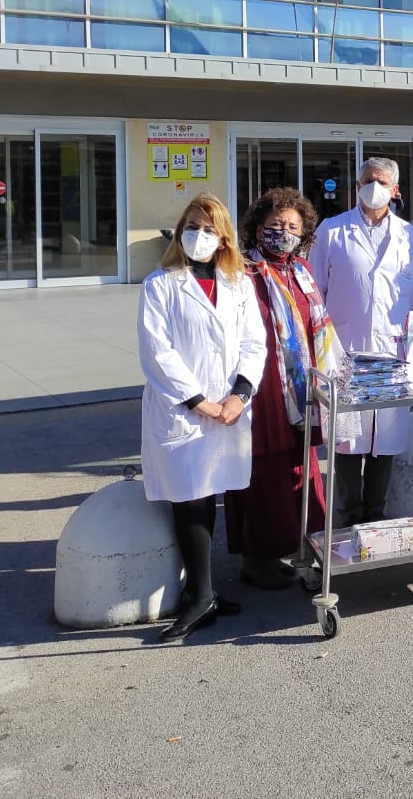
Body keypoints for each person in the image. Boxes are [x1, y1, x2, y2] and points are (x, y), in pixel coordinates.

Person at [138, 193, 265, 642]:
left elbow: (256, 343)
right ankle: (199, 599)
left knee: (209, 493)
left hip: (228, 409)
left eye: (210, 229)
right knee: (188, 499)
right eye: (192, 226)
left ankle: (205, 590)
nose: (199, 235)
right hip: (184, 412)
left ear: (224, 238)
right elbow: (157, 351)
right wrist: (198, 401)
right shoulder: (161, 283)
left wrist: (240, 394)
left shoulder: (238, 284)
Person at [224, 188, 342, 590]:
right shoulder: (242, 273)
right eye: (275, 225)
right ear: (257, 229)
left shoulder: (301, 271)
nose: (283, 232)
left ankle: (297, 544)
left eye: (292, 226)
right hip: (261, 385)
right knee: (263, 468)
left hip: (299, 385)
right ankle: (257, 556)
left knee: (299, 464)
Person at [307, 157, 413, 527]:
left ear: (395, 190)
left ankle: (376, 513)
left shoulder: (409, 234)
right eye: (367, 180)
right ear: (357, 186)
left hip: (390, 351)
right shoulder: (332, 230)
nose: (373, 186)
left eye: (381, 181)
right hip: (344, 349)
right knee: (346, 438)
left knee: (383, 437)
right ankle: (348, 513)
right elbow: (314, 294)